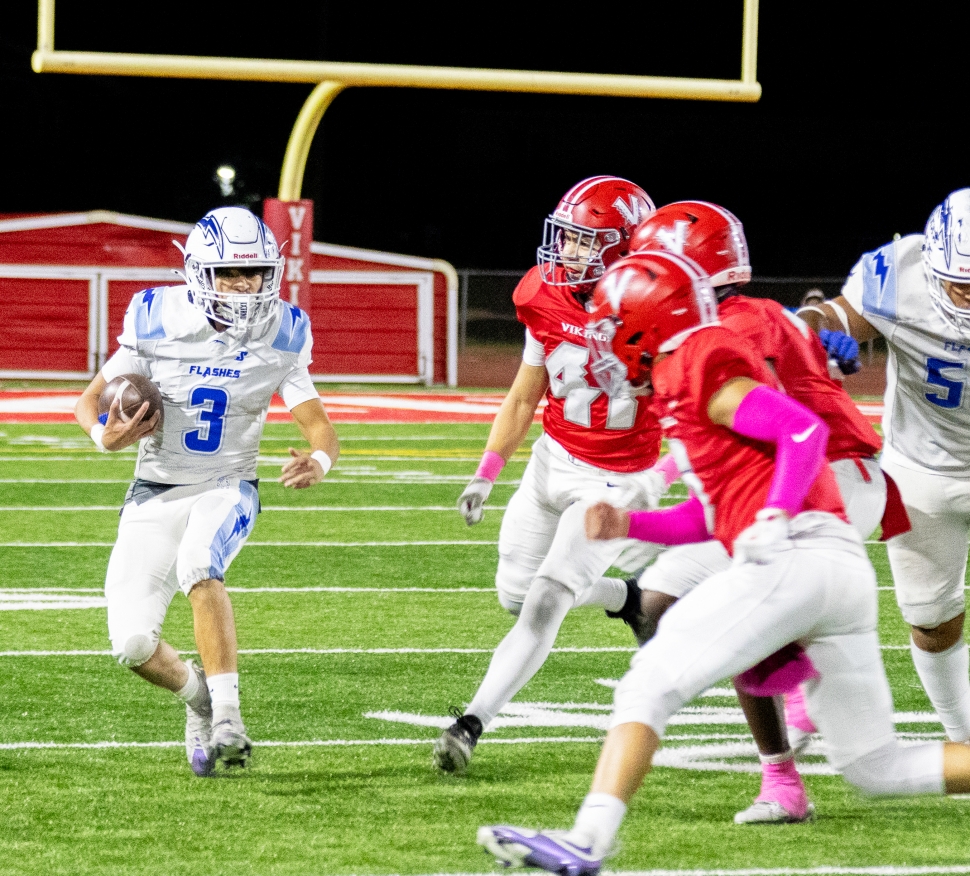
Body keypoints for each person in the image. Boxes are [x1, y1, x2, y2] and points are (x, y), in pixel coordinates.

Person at [478, 250, 970, 875]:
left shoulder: (698, 359)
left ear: (644, 325)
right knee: (877, 766)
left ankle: (587, 842)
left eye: (610, 328)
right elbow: (713, 513)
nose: (600, 346)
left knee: (648, 681)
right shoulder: (678, 370)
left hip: (797, 556)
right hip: (833, 570)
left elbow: (801, 433)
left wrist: (776, 514)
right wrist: (630, 523)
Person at [609, 201, 894, 824]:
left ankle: (789, 728)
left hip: (829, 478)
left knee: (694, 600)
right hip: (827, 477)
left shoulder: (722, 330)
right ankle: (784, 768)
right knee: (680, 601)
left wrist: (660, 476)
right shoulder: (740, 319)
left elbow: (766, 420)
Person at [74, 206, 339, 777]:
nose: (244, 286)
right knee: (132, 644)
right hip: (154, 490)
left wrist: (318, 461)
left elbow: (320, 426)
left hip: (227, 483)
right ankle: (197, 700)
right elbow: (87, 399)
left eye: (255, 273)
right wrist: (106, 436)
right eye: (228, 274)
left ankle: (228, 718)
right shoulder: (154, 316)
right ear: (197, 272)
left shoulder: (284, 330)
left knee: (199, 562)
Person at [433, 176, 669, 774]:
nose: (567, 252)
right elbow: (523, 395)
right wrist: (486, 472)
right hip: (552, 461)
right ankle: (632, 600)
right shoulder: (544, 294)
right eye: (565, 237)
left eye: (586, 242)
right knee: (514, 593)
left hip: (615, 478)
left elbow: (691, 404)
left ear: (622, 248)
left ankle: (471, 722)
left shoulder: (660, 305)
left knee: (545, 598)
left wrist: (661, 475)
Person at [796, 188, 970, 747]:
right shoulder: (900, 272)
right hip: (925, 468)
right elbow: (827, 316)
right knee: (931, 616)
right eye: (958, 284)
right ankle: (963, 739)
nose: (966, 299)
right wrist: (819, 330)